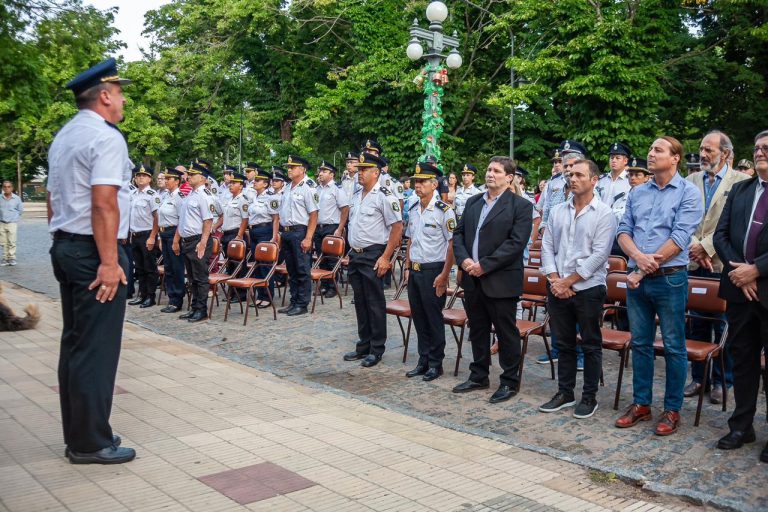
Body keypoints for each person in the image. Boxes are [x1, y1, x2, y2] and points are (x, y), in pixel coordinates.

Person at [47, 57, 136, 464]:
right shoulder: (106, 137)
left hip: (67, 245)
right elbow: (104, 204)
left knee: (76, 345)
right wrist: (107, 262)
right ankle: (90, 443)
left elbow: (53, 201)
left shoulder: (65, 135)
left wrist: (63, 244)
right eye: (119, 94)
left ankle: (83, 432)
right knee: (96, 349)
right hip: (93, 250)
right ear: (104, 96)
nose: (122, 101)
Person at [614, 136, 703, 436]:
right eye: (650, 148)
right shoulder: (638, 193)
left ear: (675, 157)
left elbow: (680, 238)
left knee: (674, 346)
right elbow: (623, 231)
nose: (651, 154)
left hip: (670, 278)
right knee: (640, 343)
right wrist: (638, 260)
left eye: (658, 150)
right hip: (637, 279)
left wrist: (642, 267)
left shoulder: (689, 193)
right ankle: (641, 404)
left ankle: (672, 409)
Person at [451, 156, 532, 403]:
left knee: (506, 332)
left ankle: (509, 381)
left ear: (509, 177)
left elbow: (515, 244)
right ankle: (479, 374)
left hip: (500, 280)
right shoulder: (474, 201)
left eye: (496, 171)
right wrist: (464, 260)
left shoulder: (521, 206)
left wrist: (484, 265)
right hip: (472, 279)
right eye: (488, 169)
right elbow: (459, 234)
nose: (490, 174)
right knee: (477, 329)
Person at [539, 159, 616, 418]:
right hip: (558, 286)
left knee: (591, 344)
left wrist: (568, 281)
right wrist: (554, 280)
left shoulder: (603, 213)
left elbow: (599, 255)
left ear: (594, 180)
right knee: (564, 342)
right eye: (570, 174)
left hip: (588, 288)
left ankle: (589, 396)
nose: (572, 179)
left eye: (579, 175)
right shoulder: (558, 210)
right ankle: (565, 392)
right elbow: (547, 246)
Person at [712, 129, 768, 463]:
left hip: (766, 288)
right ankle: (742, 426)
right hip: (738, 289)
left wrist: (756, 270)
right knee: (743, 360)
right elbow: (719, 235)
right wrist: (739, 271)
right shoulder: (740, 189)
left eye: (767, 148)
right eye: (758, 147)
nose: (760, 152)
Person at [683, 131, 748, 404]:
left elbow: (735, 223)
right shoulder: (690, 181)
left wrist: (707, 247)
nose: (703, 154)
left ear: (726, 153)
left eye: (709, 149)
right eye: (701, 149)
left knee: (725, 326)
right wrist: (695, 246)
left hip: (722, 263)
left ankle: (723, 380)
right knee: (695, 324)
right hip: (692, 261)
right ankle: (699, 378)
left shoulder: (742, 182)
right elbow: (682, 219)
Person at [342, 152, 403, 368]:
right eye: (359, 169)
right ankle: (364, 344)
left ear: (376, 172)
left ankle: (377, 348)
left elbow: (397, 227)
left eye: (364, 169)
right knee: (360, 301)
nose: (360, 172)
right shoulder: (357, 194)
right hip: (356, 253)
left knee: (375, 303)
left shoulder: (385, 195)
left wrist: (386, 257)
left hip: (373, 253)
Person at [404, 162, 456, 381]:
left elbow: (452, 244)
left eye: (423, 182)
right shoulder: (414, 208)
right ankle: (423, 360)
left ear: (434, 184)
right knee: (419, 317)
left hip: (434, 271)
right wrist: (407, 267)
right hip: (415, 271)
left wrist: (444, 275)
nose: (418, 185)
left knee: (433, 318)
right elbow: (410, 240)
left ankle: (436, 363)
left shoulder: (444, 211)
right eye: (416, 181)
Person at [173, 162, 215, 323]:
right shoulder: (190, 195)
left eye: (193, 174)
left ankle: (201, 310)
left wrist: (203, 242)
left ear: (203, 178)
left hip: (198, 240)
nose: (189, 176)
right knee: (191, 278)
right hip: (187, 241)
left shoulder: (204, 195)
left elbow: (208, 220)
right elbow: (182, 220)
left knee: (200, 277)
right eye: (188, 174)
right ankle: (194, 307)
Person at [277, 155, 319, 316]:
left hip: (300, 231)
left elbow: (314, 214)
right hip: (287, 232)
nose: (289, 170)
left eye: (292, 167)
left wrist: (308, 237)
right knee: (292, 269)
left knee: (302, 269)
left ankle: (302, 303)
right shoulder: (288, 187)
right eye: (288, 167)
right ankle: (293, 301)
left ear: (302, 169)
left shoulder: (308, 187)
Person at [315, 160, 350, 298]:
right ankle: (324, 284)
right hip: (318, 227)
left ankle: (332, 286)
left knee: (332, 259)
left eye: (324, 171)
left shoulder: (337, 188)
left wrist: (340, 228)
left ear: (331, 174)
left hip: (331, 227)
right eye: (320, 171)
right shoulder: (317, 189)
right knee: (321, 258)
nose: (320, 173)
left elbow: (345, 208)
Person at [246, 167, 280, 308]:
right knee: (258, 265)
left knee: (266, 265)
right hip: (254, 231)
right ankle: (260, 295)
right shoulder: (254, 196)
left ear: (265, 184)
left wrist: (274, 236)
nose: (255, 182)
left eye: (258, 181)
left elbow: (276, 218)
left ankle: (267, 295)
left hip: (265, 230)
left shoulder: (270, 197)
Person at [127, 164, 160, 308]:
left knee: (149, 268)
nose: (140, 178)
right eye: (138, 176)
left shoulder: (153, 195)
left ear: (149, 179)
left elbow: (156, 217)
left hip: (147, 234)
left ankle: (150, 296)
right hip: (134, 234)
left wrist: (153, 236)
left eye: (144, 176)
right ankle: (142, 294)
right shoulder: (132, 194)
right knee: (139, 268)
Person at [216, 171, 250, 301]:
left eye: (234, 183)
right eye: (230, 183)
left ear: (241, 186)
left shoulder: (243, 200)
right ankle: (232, 292)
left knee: (239, 266)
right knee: (230, 265)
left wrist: (240, 235)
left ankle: (241, 294)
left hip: (236, 234)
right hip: (227, 234)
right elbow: (224, 217)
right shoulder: (230, 200)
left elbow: (245, 219)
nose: (230, 185)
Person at [157, 167, 186, 313]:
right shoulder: (165, 196)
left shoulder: (179, 197)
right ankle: (171, 297)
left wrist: (176, 240)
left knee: (176, 268)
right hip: (164, 234)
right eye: (165, 178)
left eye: (169, 179)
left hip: (174, 233)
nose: (166, 181)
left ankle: (177, 299)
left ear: (177, 181)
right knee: (168, 268)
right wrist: (160, 237)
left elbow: (182, 220)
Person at [0, 180, 23, 266]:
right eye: (5, 187)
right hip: (1, 223)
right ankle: (5, 258)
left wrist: (14, 218)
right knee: (3, 242)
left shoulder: (17, 198)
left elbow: (20, 210)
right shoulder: (0, 198)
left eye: (9, 187)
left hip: (12, 223)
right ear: (3, 188)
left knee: (12, 242)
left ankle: (12, 258)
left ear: (12, 188)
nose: (7, 188)